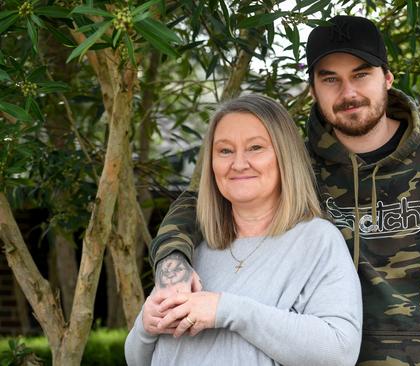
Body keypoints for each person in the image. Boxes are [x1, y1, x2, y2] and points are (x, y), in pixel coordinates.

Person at [144, 15, 420, 365]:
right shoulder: (297, 164)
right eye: (330, 79)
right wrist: (171, 260)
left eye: (361, 75)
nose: (348, 92)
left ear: (387, 77)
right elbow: (205, 198)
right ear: (313, 90)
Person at [125, 94, 362, 366]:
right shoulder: (190, 246)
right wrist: (146, 325)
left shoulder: (316, 240)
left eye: (255, 147)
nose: (238, 164)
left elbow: (339, 352)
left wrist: (226, 310)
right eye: (225, 150)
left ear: (285, 156)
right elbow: (136, 360)